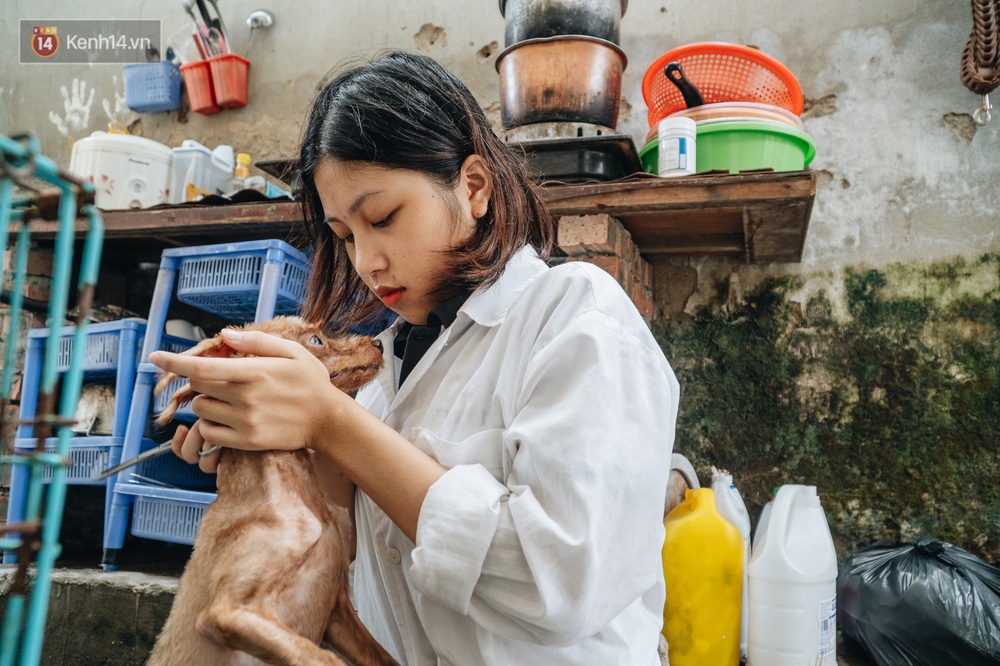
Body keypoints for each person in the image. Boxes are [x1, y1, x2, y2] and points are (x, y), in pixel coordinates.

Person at [150, 50, 680, 666]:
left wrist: (330, 422)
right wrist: (266, 450)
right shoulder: (386, 377)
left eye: (383, 217)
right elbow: (334, 553)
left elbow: (556, 585)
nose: (367, 261)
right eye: (345, 236)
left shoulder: (576, 317)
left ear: (473, 186)